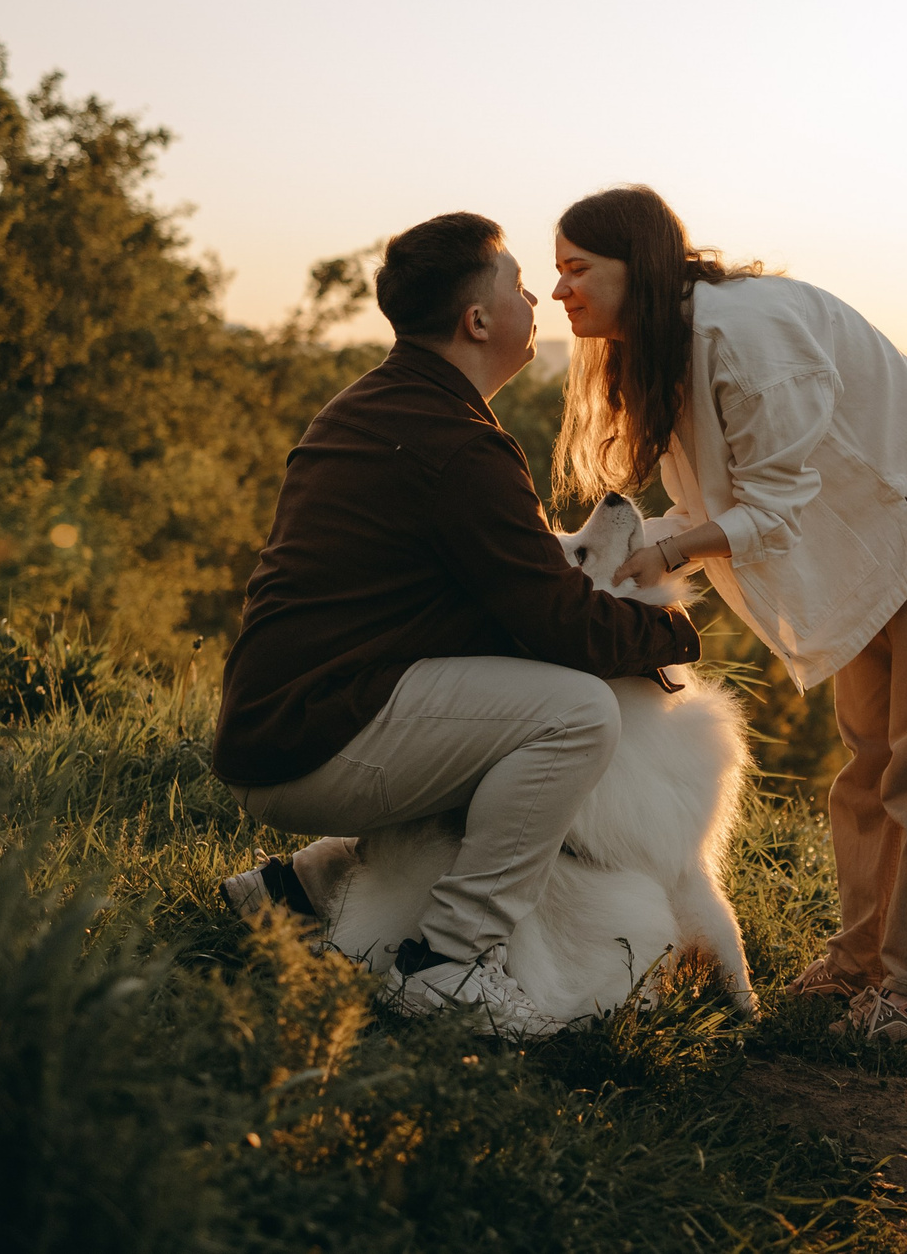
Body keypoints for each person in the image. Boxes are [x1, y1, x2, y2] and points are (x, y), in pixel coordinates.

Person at [550, 185, 907, 1052]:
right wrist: (662, 546)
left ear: (639, 265)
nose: (560, 292)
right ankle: (860, 961)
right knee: (870, 763)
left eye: (577, 270)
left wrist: (663, 554)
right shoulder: (672, 346)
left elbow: (774, 504)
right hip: (865, 542)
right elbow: (739, 503)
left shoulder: (748, 332)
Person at [213, 211, 699, 1038]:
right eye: (518, 286)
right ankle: (449, 964)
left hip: (283, 728)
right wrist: (673, 639)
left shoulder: (373, 406)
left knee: (512, 719)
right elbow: (561, 624)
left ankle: (299, 888)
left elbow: (516, 604)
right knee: (574, 715)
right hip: (314, 738)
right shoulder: (457, 445)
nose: (538, 297)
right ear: (477, 320)